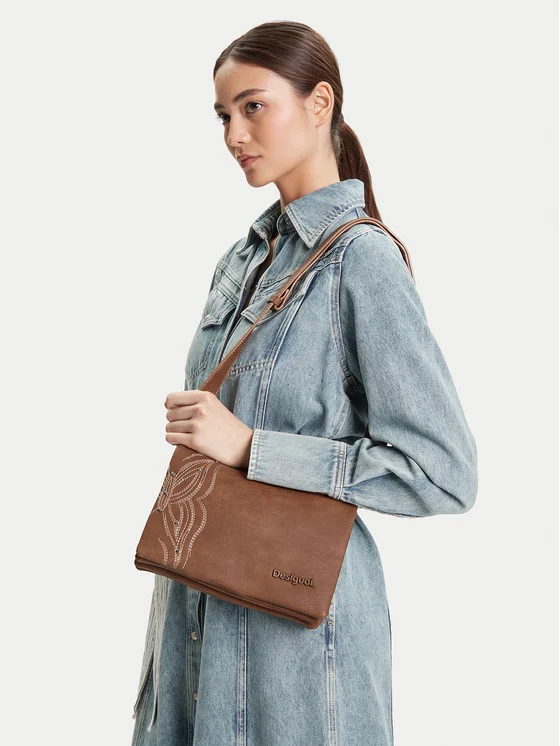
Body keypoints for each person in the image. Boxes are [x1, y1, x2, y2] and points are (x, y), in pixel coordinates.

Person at [130, 20, 478, 746]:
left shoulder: (362, 261)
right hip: (193, 616)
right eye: (224, 115)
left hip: (296, 648)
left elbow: (443, 472)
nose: (235, 134)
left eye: (254, 107)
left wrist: (253, 448)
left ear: (320, 103)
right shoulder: (242, 259)